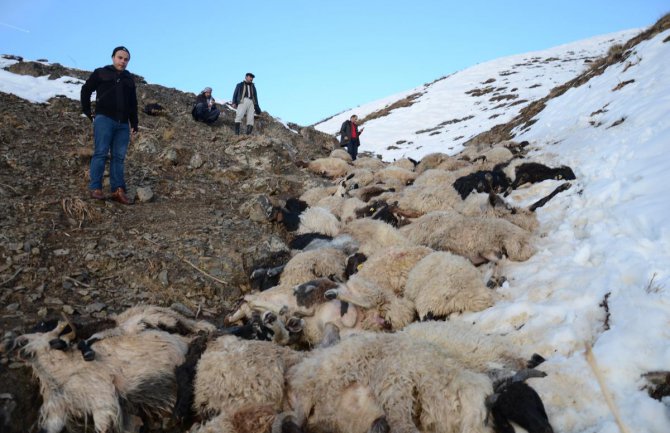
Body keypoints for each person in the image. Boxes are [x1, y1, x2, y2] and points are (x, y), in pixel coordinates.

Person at [80, 46, 138, 205]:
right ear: (113, 57)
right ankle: (95, 188)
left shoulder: (129, 79)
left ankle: (118, 190)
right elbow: (86, 89)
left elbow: (133, 103)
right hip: (104, 119)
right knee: (101, 152)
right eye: (120, 57)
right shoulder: (101, 72)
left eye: (126, 59)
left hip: (123, 124)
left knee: (119, 157)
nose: (123, 61)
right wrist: (87, 110)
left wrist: (134, 123)